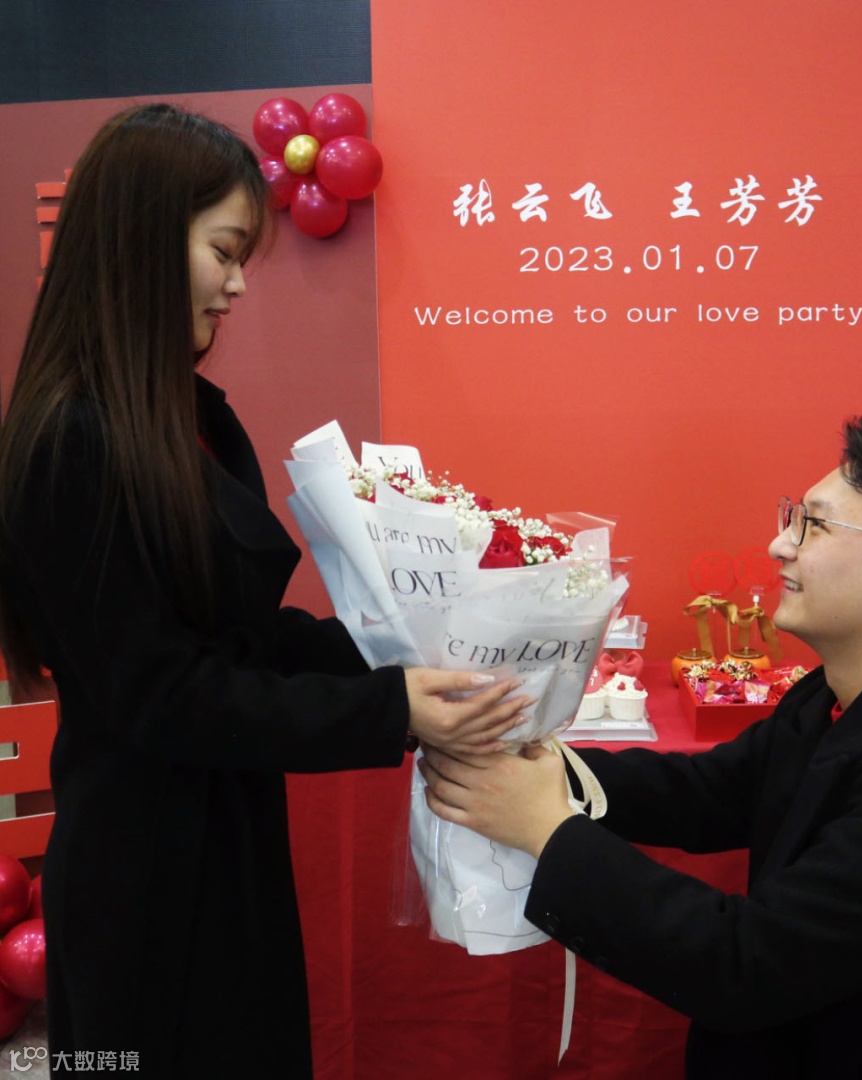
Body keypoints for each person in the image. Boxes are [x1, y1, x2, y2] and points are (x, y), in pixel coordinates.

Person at [0, 103, 528, 1078]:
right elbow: (163, 693)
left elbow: (239, 636)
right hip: (143, 867)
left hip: (228, 828)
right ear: (141, 241)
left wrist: (406, 642)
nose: (240, 283)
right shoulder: (69, 441)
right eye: (224, 251)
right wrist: (389, 708)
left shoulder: (189, 414)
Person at [420, 417, 862, 1078]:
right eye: (793, 518)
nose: (779, 545)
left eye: (814, 526)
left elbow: (745, 967)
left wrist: (546, 827)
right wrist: (548, 769)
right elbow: (709, 792)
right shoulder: (837, 694)